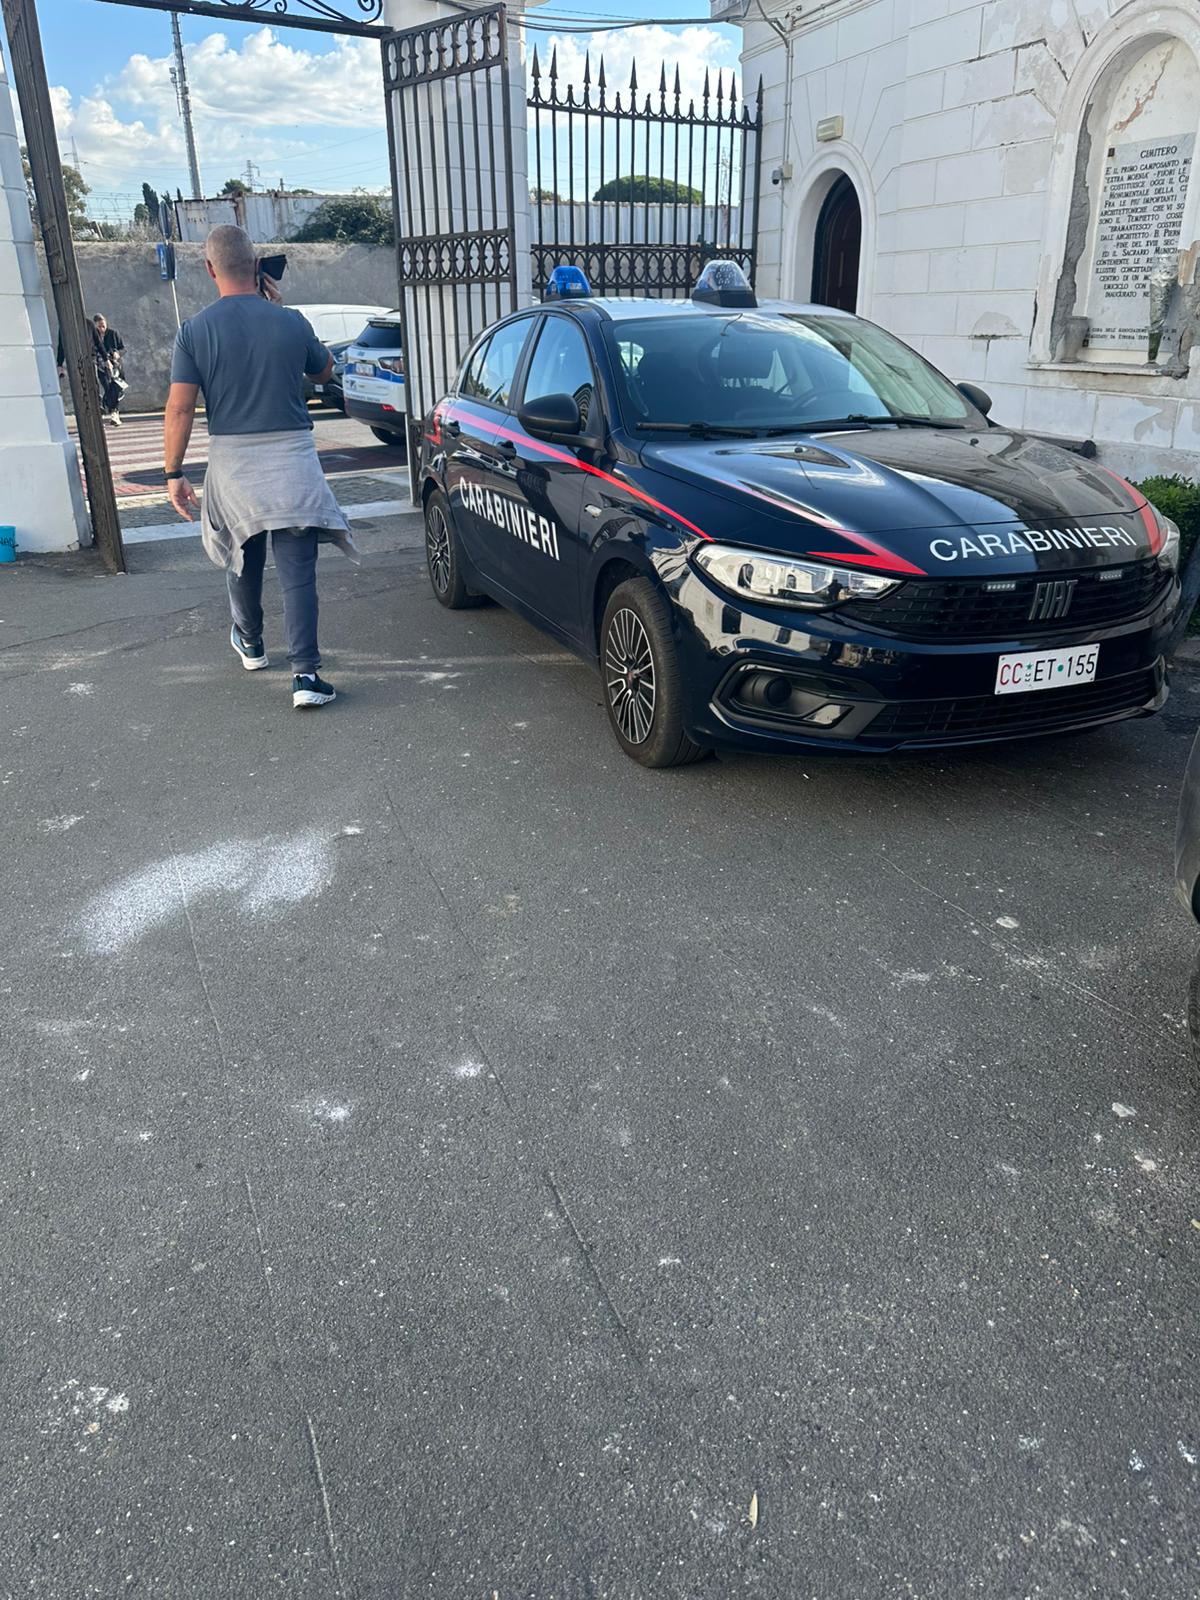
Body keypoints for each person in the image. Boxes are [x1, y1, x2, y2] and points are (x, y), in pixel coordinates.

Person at [164, 224, 355, 710]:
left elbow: (180, 408)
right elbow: (325, 371)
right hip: (292, 457)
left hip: (233, 462)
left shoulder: (194, 330)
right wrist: (281, 312)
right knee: (298, 567)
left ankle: (250, 641)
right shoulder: (290, 321)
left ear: (210, 270)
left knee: (241, 553)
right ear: (256, 266)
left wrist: (173, 473)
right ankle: (306, 675)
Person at [92, 314, 125, 425]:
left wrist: (117, 353)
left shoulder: (113, 334)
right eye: (99, 327)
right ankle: (110, 409)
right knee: (108, 388)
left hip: (115, 366)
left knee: (115, 389)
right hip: (101, 367)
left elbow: (123, 348)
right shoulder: (93, 336)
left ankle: (114, 412)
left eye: (103, 326)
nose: (102, 329)